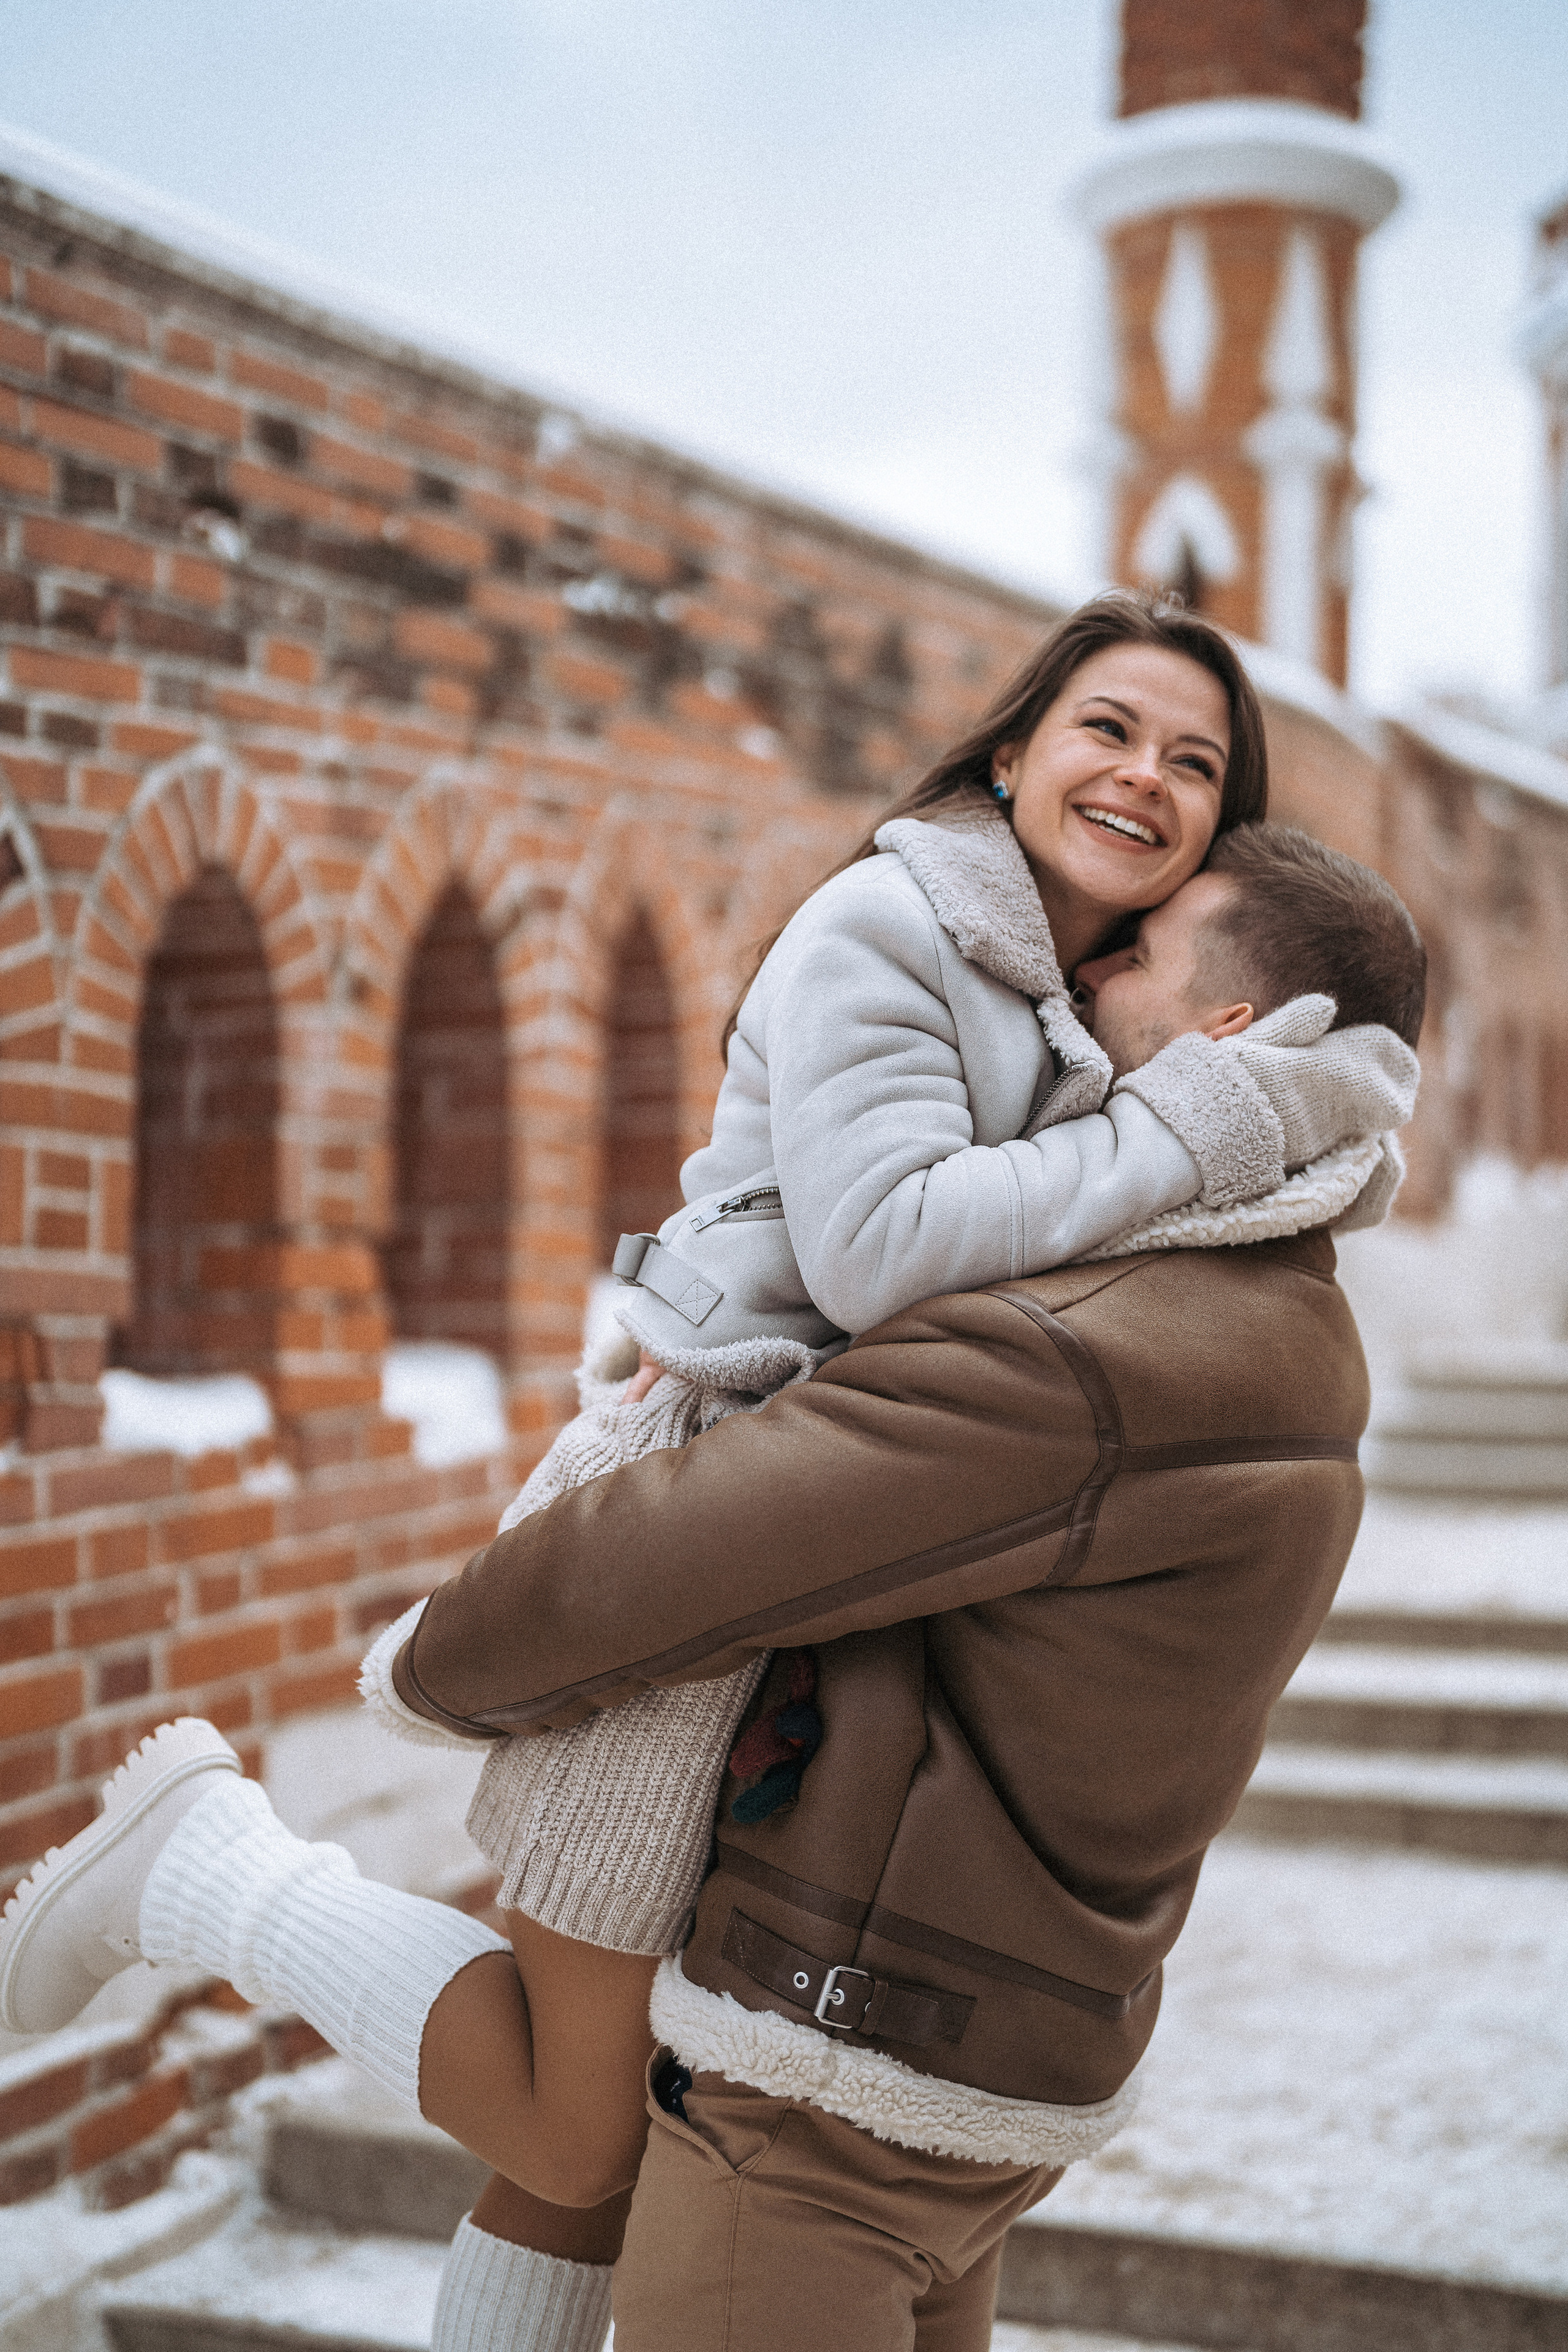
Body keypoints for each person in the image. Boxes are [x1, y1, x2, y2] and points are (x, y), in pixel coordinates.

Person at [0, 601, 1420, 2352]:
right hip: (700, 1505)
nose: (1146, 775)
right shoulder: (894, 926)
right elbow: (887, 1253)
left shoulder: (1073, 1007)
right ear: (1011, 751)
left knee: (585, 2170)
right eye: (1109, 728)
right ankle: (210, 1867)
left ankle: (209, 1871)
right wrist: (1191, 1121)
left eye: (1195, 762)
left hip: (832, 1557)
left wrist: (1237, 1097)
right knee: (576, 2125)